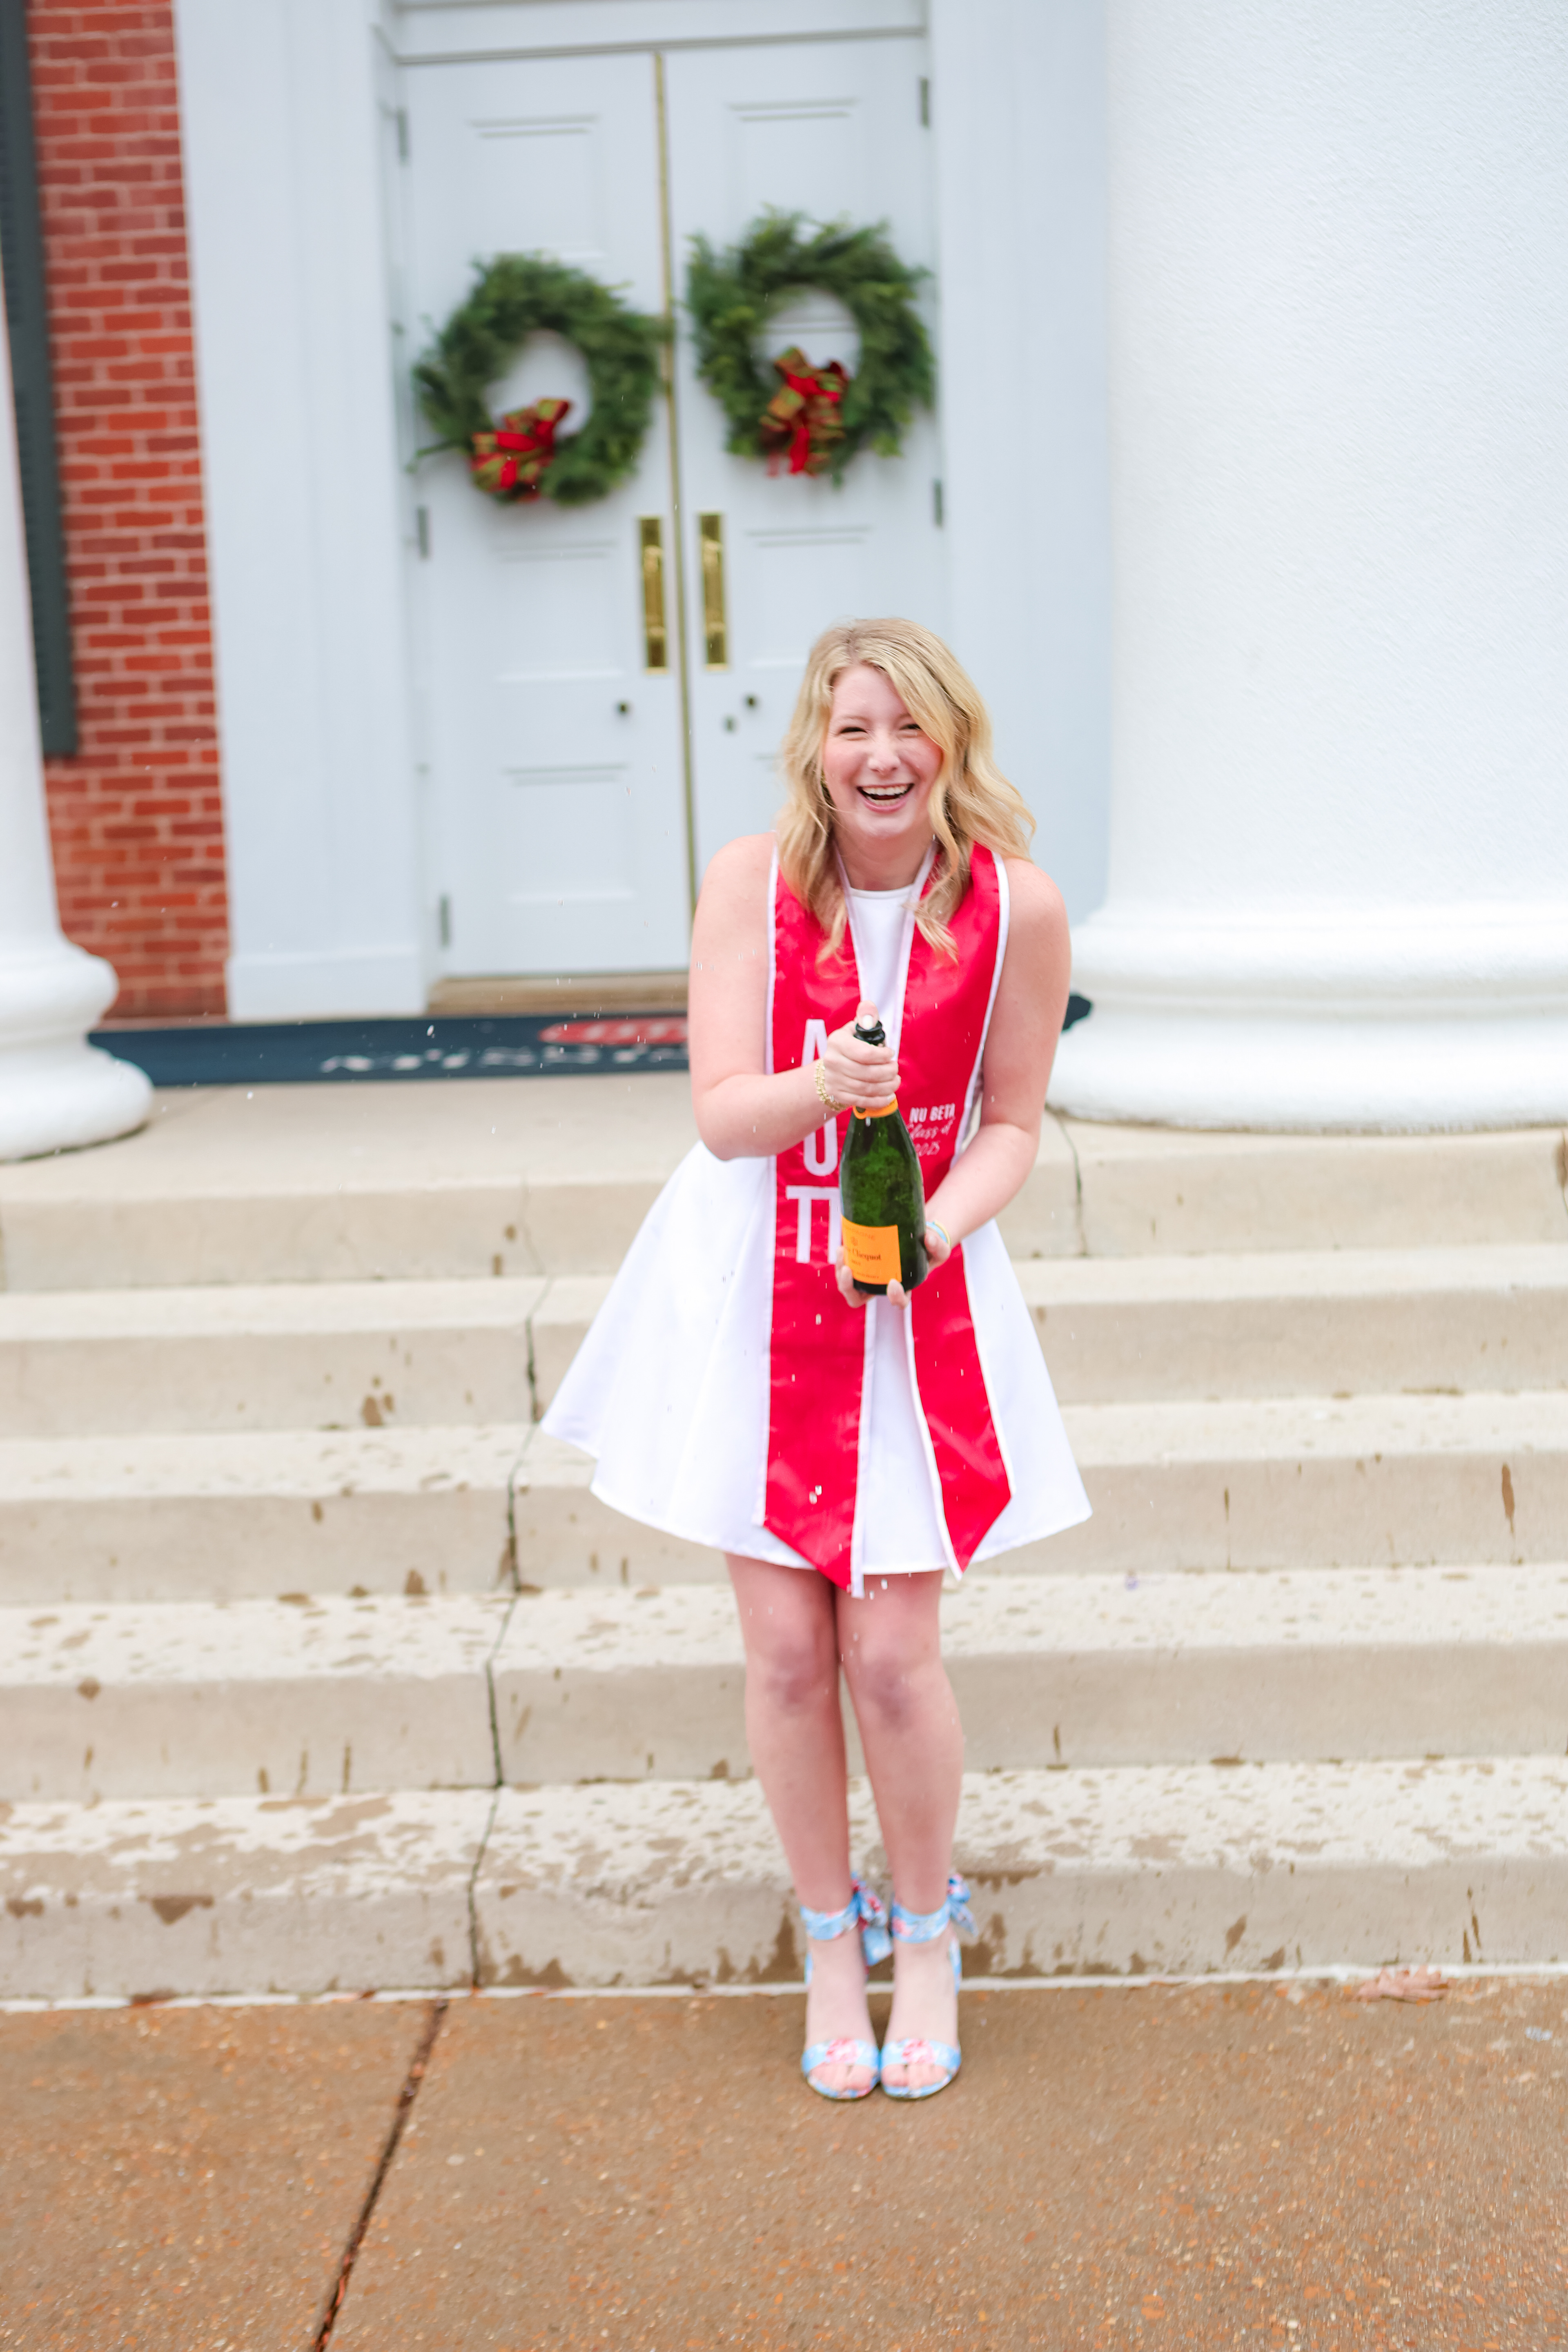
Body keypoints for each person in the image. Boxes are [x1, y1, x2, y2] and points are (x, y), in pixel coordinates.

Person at [545, 617, 1090, 2100]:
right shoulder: (753, 882)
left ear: (951, 742)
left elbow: (1012, 1124)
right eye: (855, 727)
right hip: (754, 1284)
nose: (882, 756)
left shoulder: (1019, 908)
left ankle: (927, 1935)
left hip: (913, 1293)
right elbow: (724, 1114)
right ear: (816, 745)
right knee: (788, 1654)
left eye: (910, 727)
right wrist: (822, 1084)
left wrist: (929, 1235)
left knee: (894, 1660)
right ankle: (829, 1942)